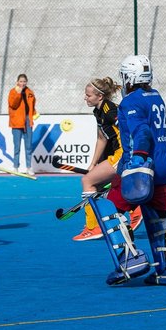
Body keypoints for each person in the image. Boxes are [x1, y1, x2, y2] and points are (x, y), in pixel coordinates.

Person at [103, 54, 166, 284]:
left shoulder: (130, 102)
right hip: (165, 164)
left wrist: (137, 158)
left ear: (129, 77)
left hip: (143, 165)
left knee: (111, 208)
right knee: (161, 218)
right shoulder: (156, 96)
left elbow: (142, 133)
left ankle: (130, 260)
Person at [72, 76, 124, 242]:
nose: (85, 97)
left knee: (87, 181)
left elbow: (128, 128)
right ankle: (106, 222)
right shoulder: (98, 111)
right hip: (115, 154)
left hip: (122, 154)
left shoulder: (111, 111)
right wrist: (94, 164)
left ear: (99, 96)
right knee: (98, 185)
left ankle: (93, 228)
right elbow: (102, 139)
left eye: (88, 95)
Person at [8, 73, 38, 174]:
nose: (22, 83)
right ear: (17, 82)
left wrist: (33, 114)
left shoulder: (30, 92)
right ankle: (15, 167)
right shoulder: (13, 92)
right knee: (17, 146)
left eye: (24, 81)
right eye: (20, 81)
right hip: (17, 121)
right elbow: (13, 104)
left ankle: (29, 167)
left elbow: (32, 106)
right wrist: (18, 93)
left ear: (26, 82)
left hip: (27, 121)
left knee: (28, 146)